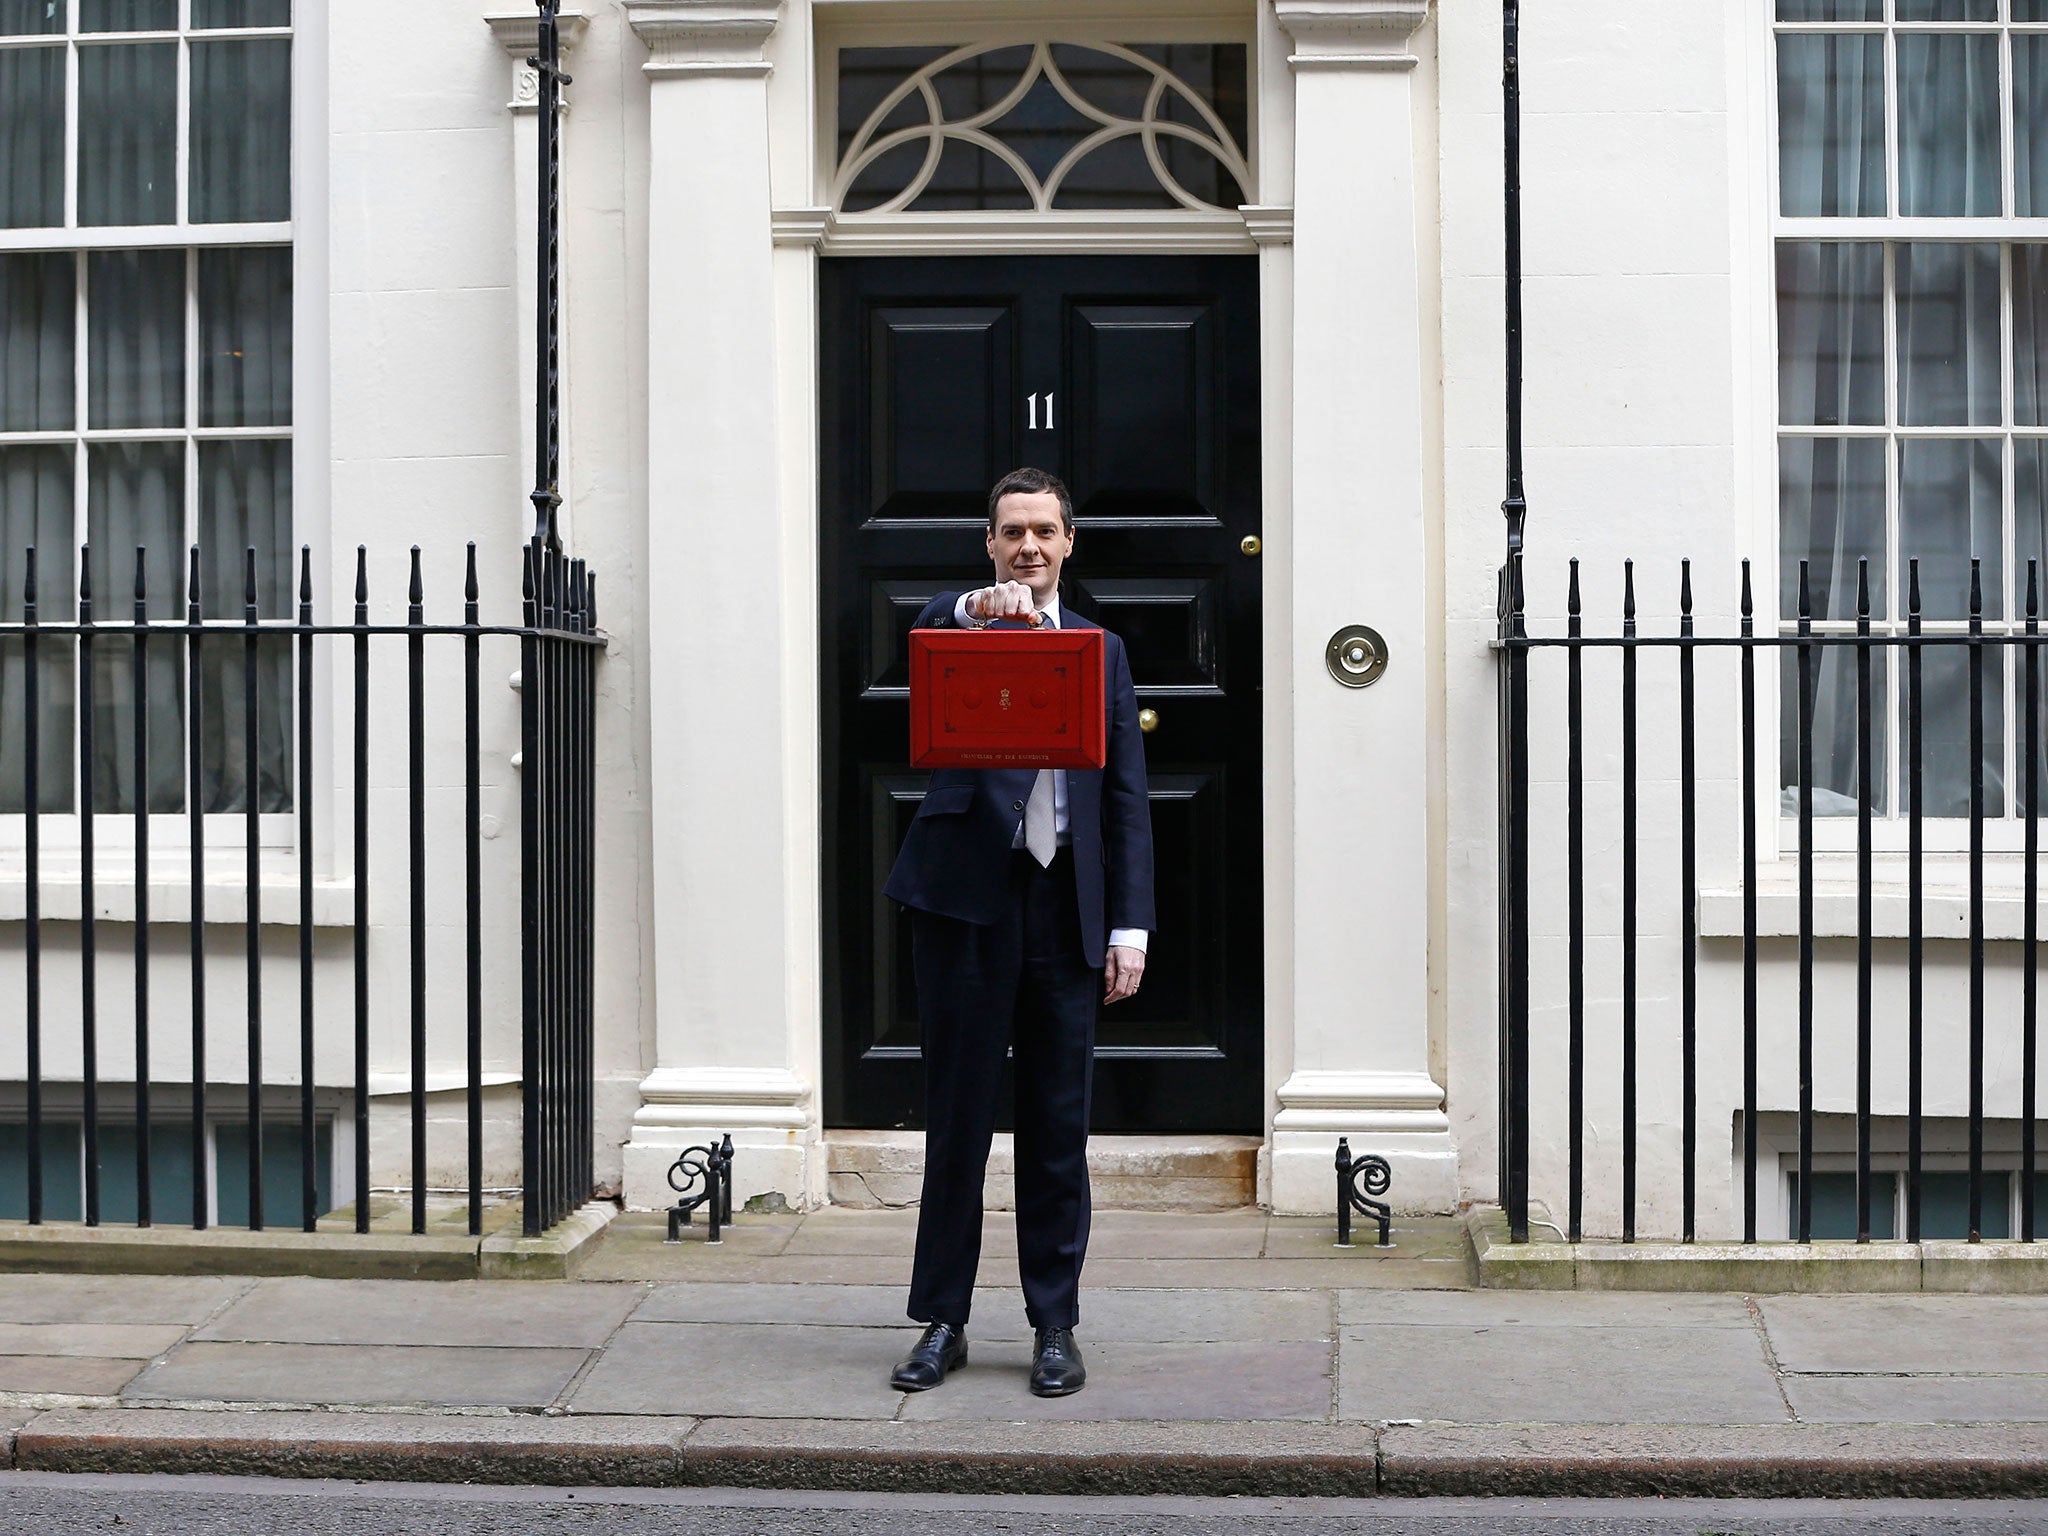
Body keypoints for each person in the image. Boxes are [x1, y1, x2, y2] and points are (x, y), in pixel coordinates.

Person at [882, 466, 1155, 1398]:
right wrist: (971, 608)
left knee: (1055, 1125)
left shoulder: (1103, 649)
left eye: (1044, 531)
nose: (1028, 547)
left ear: (1069, 543)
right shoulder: (957, 623)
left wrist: (1131, 927)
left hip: (1065, 908)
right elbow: (914, 637)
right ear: (990, 544)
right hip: (966, 904)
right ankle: (943, 1322)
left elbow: (1125, 798)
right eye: (1011, 533)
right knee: (956, 1120)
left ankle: (1054, 1323)